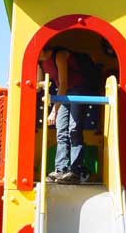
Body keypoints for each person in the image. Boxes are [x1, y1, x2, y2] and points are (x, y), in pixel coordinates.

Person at [38, 47, 94, 184]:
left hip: (77, 91)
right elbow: (38, 85)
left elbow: (64, 83)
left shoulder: (59, 55)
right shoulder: (39, 62)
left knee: (73, 129)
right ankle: (60, 170)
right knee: (61, 130)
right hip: (64, 94)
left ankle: (76, 170)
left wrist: (53, 111)